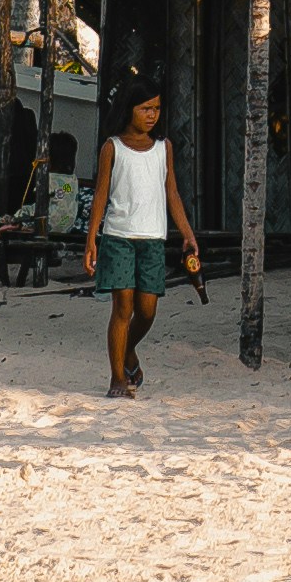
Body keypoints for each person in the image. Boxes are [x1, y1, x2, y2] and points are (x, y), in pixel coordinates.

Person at [82, 85, 198, 397]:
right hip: (119, 236)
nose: (151, 115)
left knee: (147, 310)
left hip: (153, 239)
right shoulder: (113, 147)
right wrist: (92, 239)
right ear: (129, 108)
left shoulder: (164, 147)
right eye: (145, 108)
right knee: (123, 307)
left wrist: (187, 233)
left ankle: (128, 350)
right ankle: (117, 377)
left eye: (156, 109)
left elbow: (171, 192)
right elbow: (101, 194)